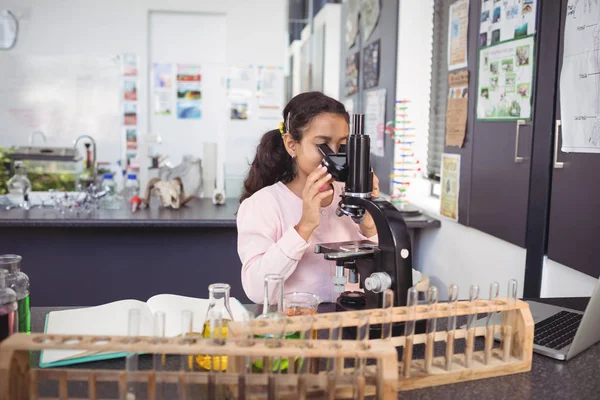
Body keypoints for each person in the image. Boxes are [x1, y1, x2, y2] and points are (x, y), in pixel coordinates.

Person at [237, 92, 416, 304]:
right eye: (322, 145)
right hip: (297, 325)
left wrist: (370, 226)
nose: (334, 157)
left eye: (341, 146)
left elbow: (391, 274)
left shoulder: (351, 195)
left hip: (353, 321)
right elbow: (257, 291)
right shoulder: (262, 204)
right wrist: (304, 227)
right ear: (292, 145)